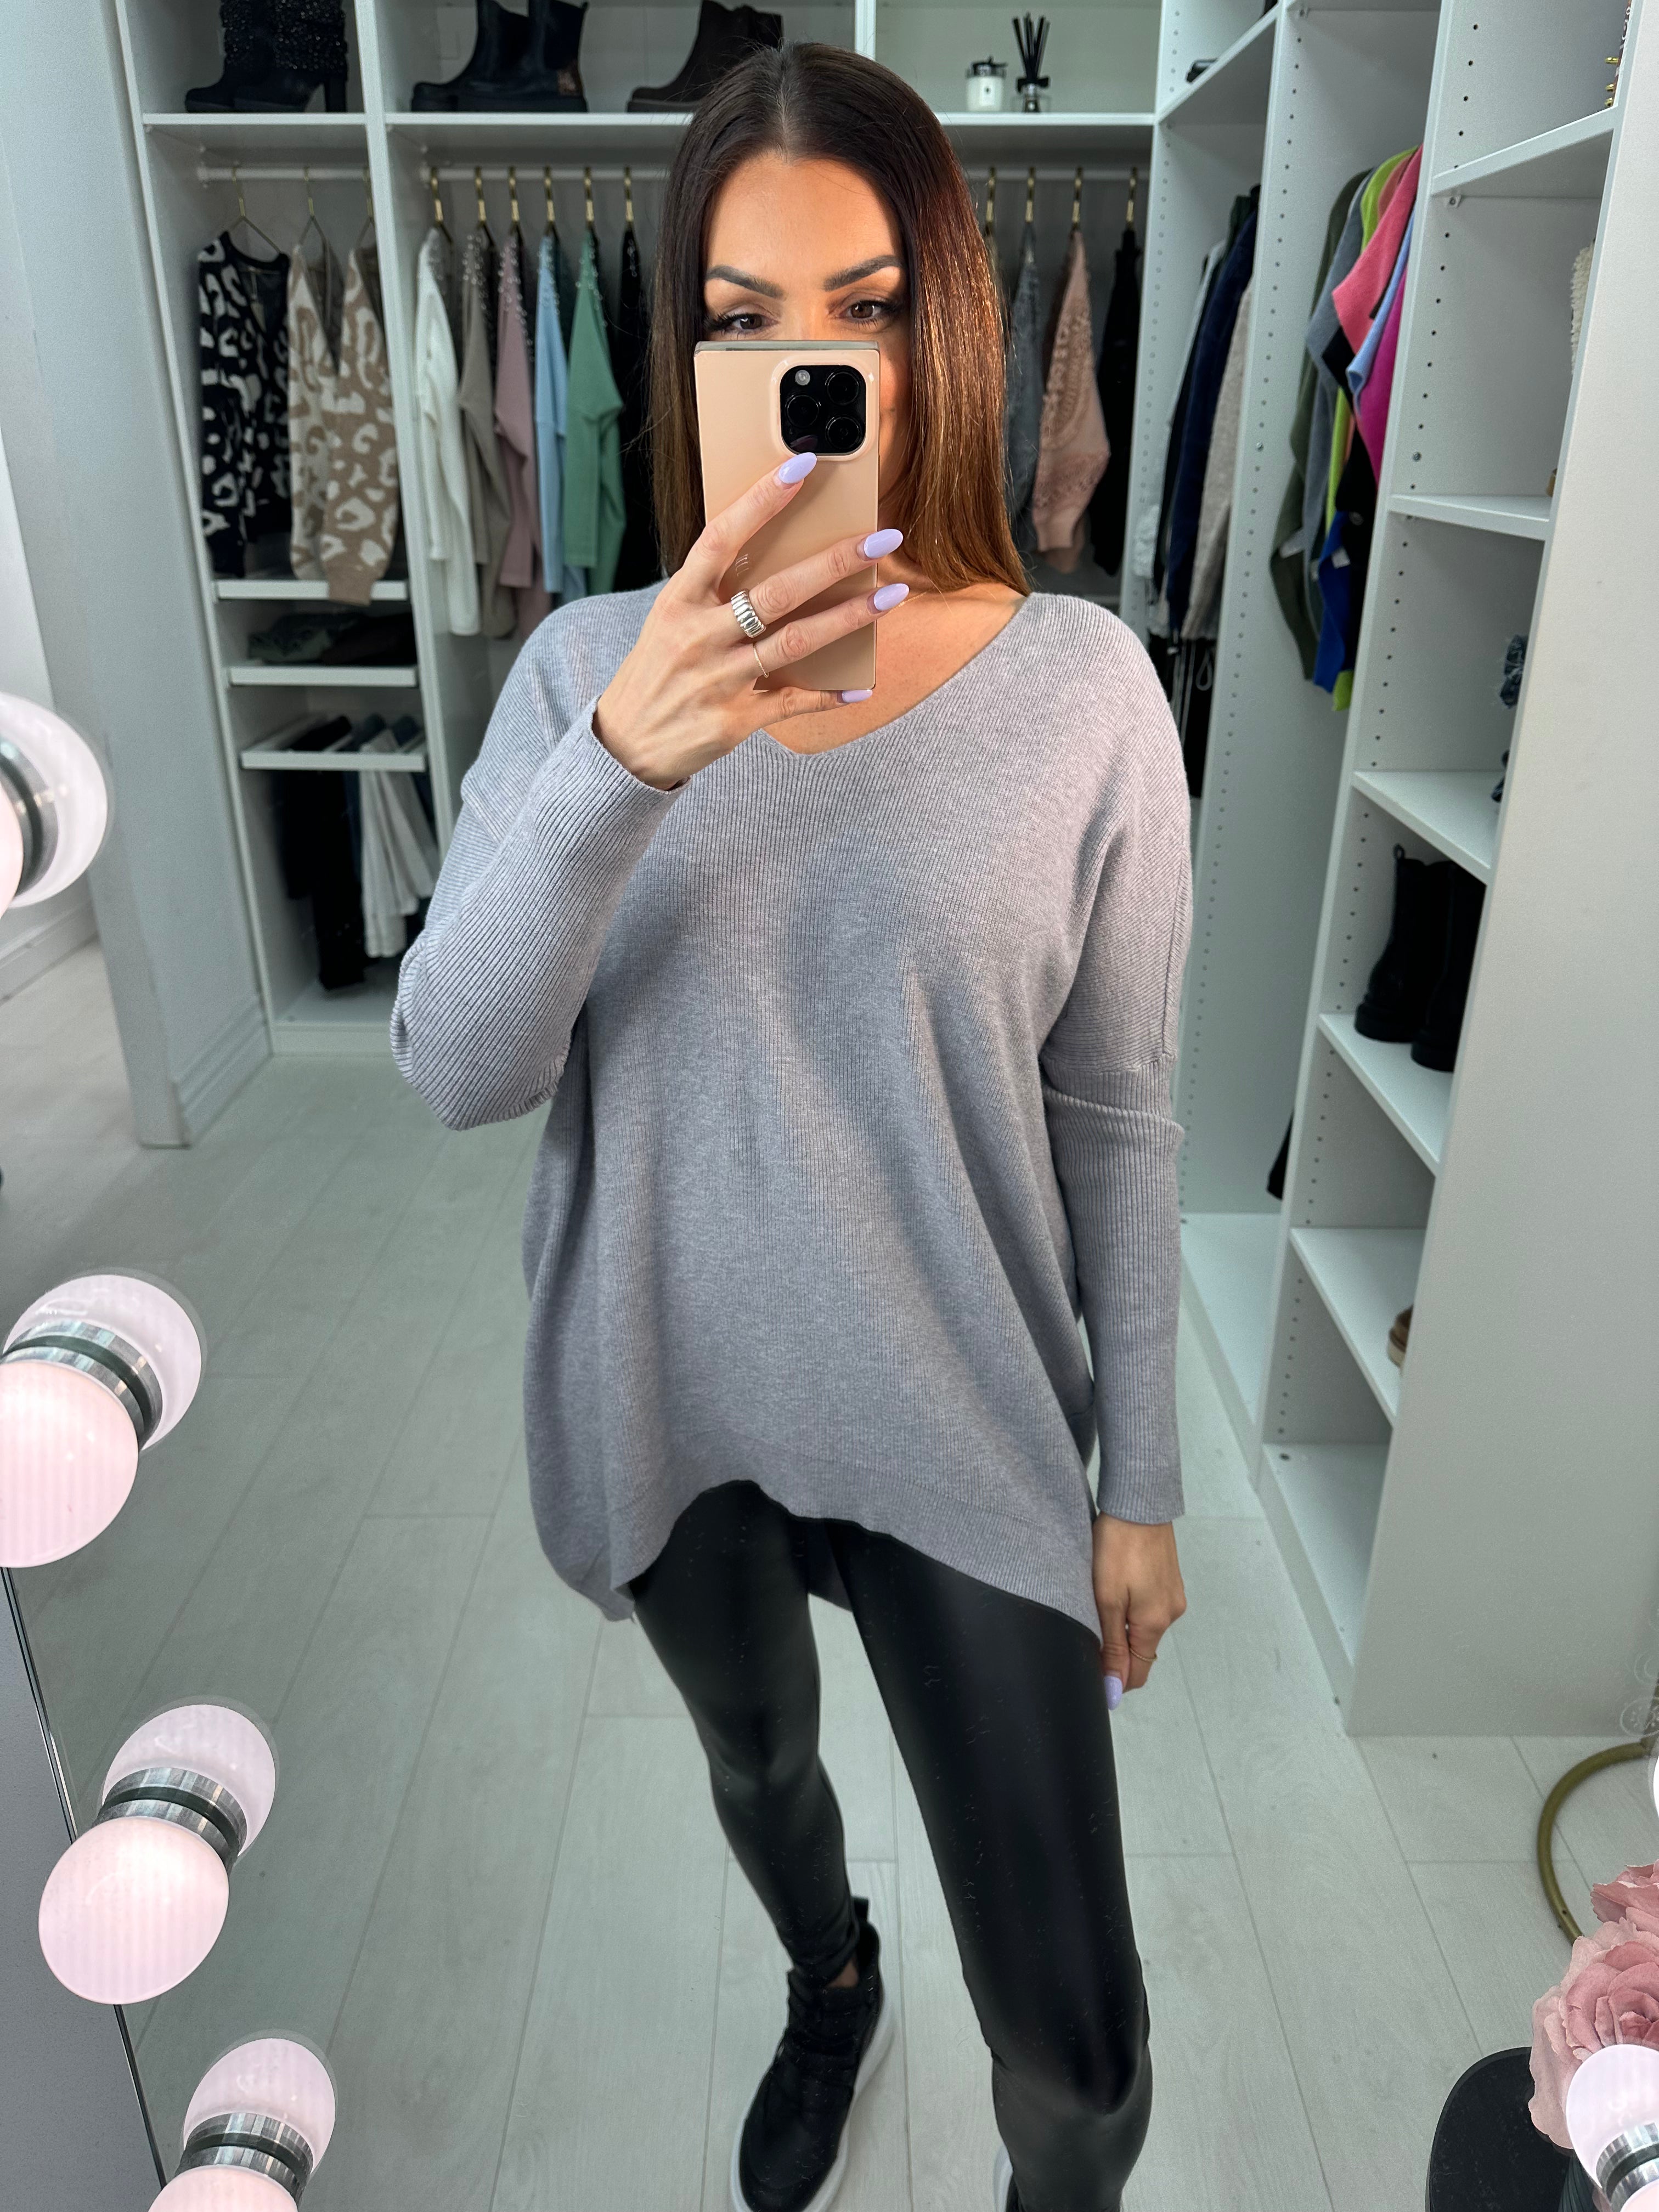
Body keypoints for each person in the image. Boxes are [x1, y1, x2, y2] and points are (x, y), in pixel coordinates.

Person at [392, 42, 1192, 2212]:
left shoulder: (1087, 695)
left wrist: (1141, 1476)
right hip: (673, 1384)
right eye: (745, 320)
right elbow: (457, 1064)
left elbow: (1120, 1113)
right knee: (760, 1763)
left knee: (1087, 2070)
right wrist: (628, 763)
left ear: (948, 327)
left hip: (957, 1397)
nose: (809, 373)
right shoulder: (582, 676)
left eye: (865, 308)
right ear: (684, 354)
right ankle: (830, 1977)